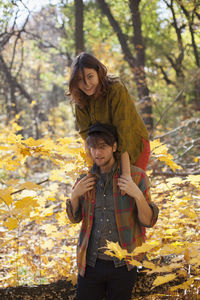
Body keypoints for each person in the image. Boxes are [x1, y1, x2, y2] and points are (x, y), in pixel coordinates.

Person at [66, 122, 159, 300]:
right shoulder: (85, 179)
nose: (97, 153)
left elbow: (148, 221)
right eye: (93, 147)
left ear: (114, 146)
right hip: (90, 263)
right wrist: (75, 195)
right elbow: (74, 218)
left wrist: (137, 194)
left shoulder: (136, 176)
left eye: (103, 147)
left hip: (124, 264)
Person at [67, 52, 150, 189]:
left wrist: (127, 175)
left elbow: (123, 132)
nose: (87, 84)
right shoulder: (79, 98)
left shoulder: (115, 88)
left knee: (130, 192)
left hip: (132, 145)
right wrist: (92, 172)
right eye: (81, 80)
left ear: (99, 72)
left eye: (90, 77)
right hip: (105, 152)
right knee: (108, 194)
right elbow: (87, 137)